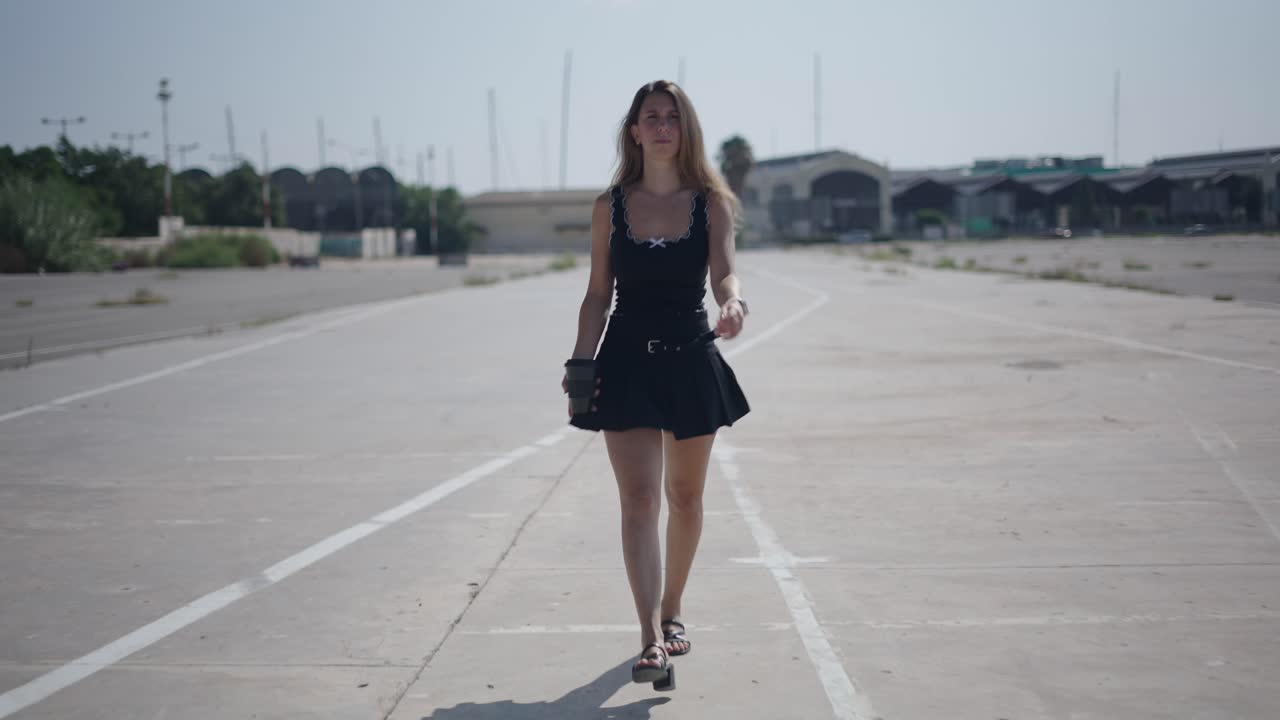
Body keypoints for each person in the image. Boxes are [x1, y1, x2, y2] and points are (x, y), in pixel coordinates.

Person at [561, 79, 751, 687]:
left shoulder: (711, 204)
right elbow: (598, 294)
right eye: (652, 117)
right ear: (635, 131)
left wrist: (734, 304)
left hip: (691, 358)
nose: (663, 125)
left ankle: (672, 612)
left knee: (685, 498)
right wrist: (580, 362)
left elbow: (725, 274)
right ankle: (649, 641)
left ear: (684, 129)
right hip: (626, 362)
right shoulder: (609, 207)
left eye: (673, 116)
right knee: (639, 500)